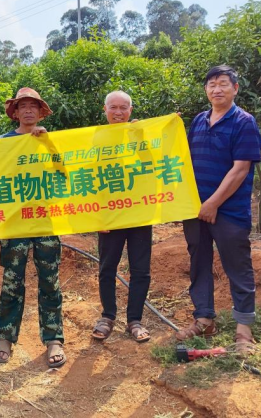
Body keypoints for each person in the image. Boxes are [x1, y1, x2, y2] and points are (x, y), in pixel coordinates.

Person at [177, 65, 261, 355]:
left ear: (235, 88)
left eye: (223, 84)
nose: (217, 89)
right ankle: (204, 319)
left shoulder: (244, 122)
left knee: (238, 267)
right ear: (206, 90)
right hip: (194, 210)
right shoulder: (199, 121)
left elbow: (240, 170)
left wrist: (213, 203)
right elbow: (182, 159)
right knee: (199, 263)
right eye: (212, 84)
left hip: (229, 212)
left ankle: (243, 330)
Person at [0, 87, 65, 368]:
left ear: (40, 111)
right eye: (22, 106)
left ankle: (54, 339)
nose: (28, 110)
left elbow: (65, 170)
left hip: (46, 220)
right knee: (12, 281)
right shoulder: (3, 143)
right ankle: (5, 338)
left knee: (50, 280)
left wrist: (49, 144)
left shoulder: (49, 139)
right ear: (15, 112)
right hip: (14, 223)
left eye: (33, 106)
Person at [91, 91, 153, 343]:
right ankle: (107, 316)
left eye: (123, 108)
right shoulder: (96, 138)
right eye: (113, 107)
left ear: (131, 110)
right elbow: (88, 176)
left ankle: (135, 320)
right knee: (107, 267)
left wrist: (141, 137)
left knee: (141, 269)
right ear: (104, 110)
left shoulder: (140, 134)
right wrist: (96, 213)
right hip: (109, 214)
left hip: (138, 211)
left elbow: (152, 164)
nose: (118, 112)